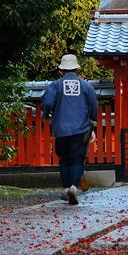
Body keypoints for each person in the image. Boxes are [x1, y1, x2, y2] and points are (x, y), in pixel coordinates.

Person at [41, 53, 98, 205]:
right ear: (76, 68)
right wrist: (93, 121)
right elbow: (94, 106)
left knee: (65, 159)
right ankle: (74, 186)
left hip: (61, 130)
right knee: (78, 159)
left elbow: (47, 104)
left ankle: (66, 189)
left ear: (62, 69)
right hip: (81, 130)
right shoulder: (86, 85)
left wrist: (47, 114)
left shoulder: (56, 85)